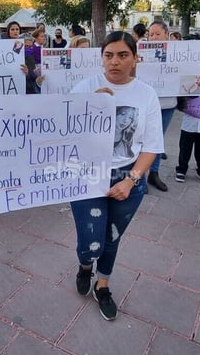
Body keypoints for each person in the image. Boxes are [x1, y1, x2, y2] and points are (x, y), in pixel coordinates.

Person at [70, 31, 163, 321]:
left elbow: (151, 147)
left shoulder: (146, 94)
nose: (115, 62)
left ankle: (103, 284)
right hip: (87, 175)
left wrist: (131, 180)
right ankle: (85, 265)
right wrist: (89, 108)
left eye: (123, 55)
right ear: (101, 58)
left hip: (128, 176)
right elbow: (65, 135)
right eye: (109, 55)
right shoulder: (85, 87)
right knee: (91, 241)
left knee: (112, 237)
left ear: (135, 59)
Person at [144, 21, 175, 192]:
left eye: (157, 33)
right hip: (147, 103)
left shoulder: (178, 52)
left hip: (167, 104)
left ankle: (154, 173)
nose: (153, 37)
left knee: (158, 140)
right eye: (151, 34)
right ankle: (139, 175)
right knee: (141, 138)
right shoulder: (140, 51)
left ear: (166, 34)